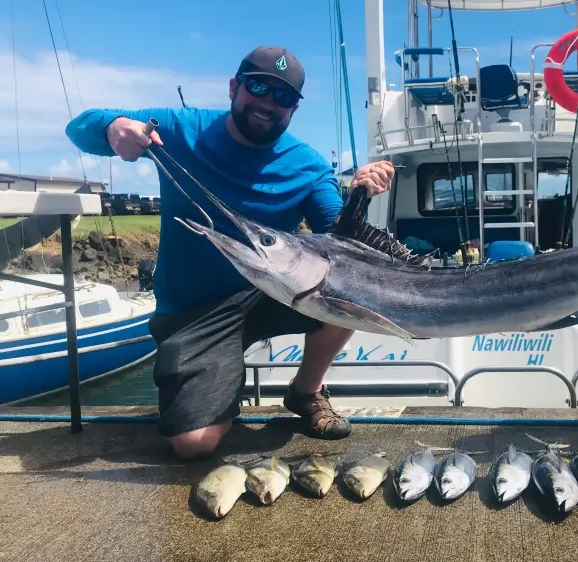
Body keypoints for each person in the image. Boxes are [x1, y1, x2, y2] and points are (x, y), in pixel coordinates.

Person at [65, 46, 395, 459]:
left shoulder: (308, 165)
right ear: (234, 87)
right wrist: (114, 127)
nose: (268, 103)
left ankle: (306, 392)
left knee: (352, 292)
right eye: (258, 87)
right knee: (193, 445)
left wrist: (360, 192)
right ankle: (218, 390)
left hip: (274, 293)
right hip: (194, 311)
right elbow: (79, 128)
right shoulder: (179, 129)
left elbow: (338, 237)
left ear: (294, 108)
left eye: (284, 97)